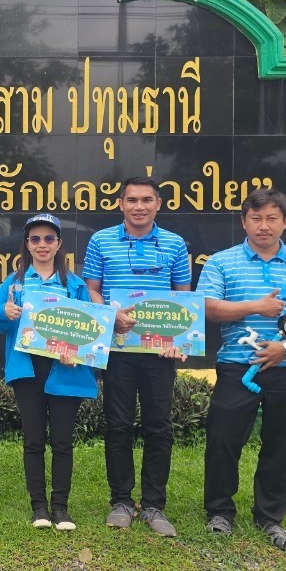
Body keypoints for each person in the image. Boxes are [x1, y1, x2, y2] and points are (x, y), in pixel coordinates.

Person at [197, 189, 286, 551]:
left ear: (285, 222)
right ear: (244, 221)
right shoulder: (222, 262)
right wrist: (255, 307)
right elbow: (207, 307)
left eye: (272, 218)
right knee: (223, 438)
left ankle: (269, 516)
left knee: (280, 442)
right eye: (255, 218)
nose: (263, 225)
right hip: (238, 366)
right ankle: (220, 511)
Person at [83, 177, 191, 537]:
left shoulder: (175, 243)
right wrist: (109, 316)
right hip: (118, 348)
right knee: (117, 424)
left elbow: (183, 297)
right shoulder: (101, 241)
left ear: (159, 203)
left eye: (147, 200)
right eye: (132, 200)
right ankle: (122, 501)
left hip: (160, 352)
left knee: (159, 426)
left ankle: (155, 504)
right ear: (120, 203)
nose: (139, 206)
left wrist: (179, 340)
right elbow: (93, 290)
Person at [0, 214, 98, 530]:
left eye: (49, 239)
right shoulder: (15, 282)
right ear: (27, 244)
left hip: (64, 370)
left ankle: (60, 508)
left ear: (59, 243)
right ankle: (39, 507)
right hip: (28, 370)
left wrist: (74, 353)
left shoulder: (74, 285)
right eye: (35, 239)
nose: (42, 245)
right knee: (33, 439)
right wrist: (6, 313)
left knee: (62, 441)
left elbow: (90, 331)